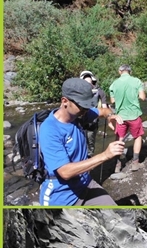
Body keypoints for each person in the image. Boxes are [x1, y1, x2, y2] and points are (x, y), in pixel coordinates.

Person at [39, 78, 124, 206]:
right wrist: (105, 155)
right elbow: (65, 172)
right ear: (65, 101)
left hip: (86, 184)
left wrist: (109, 116)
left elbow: (103, 111)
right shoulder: (50, 129)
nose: (86, 109)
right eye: (82, 105)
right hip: (62, 197)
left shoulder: (79, 114)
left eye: (88, 104)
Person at [109, 65, 146, 174]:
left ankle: (117, 164)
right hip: (134, 115)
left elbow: (112, 101)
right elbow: (142, 97)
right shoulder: (136, 81)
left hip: (120, 116)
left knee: (119, 139)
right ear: (130, 71)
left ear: (119, 71)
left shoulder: (114, 84)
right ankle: (135, 163)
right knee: (138, 136)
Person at [79, 70, 107, 157]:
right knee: (90, 146)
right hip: (93, 122)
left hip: (79, 123)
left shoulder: (78, 91)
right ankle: (89, 162)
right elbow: (105, 108)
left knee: (80, 145)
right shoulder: (100, 91)